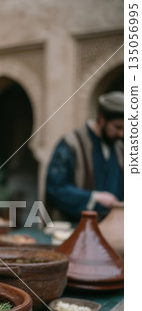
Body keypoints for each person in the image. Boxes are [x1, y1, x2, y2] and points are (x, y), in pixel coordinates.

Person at [45, 91, 124, 222]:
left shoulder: (120, 148)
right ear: (102, 119)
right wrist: (93, 197)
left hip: (113, 231)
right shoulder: (71, 144)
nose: (121, 134)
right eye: (117, 127)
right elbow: (55, 188)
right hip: (75, 230)